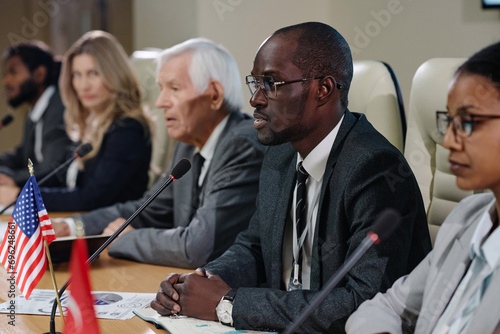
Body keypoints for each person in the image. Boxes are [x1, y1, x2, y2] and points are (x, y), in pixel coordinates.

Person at [151, 22, 432, 333]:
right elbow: (254, 247)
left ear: (323, 90)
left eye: (271, 83)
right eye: (255, 83)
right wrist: (197, 283)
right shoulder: (281, 154)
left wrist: (229, 303)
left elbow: (363, 301)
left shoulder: (376, 168)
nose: (256, 99)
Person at [52, 38, 267, 269]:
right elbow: (148, 209)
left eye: (174, 89)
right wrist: (73, 226)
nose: (160, 102)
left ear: (214, 95)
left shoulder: (242, 145)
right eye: (161, 88)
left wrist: (124, 239)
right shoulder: (188, 144)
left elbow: (198, 248)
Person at [346, 41, 500, 334]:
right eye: (449, 121)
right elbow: (386, 306)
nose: (451, 141)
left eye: (467, 122)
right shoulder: (466, 218)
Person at [1, 31, 152, 211]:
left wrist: (22, 196)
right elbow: (62, 177)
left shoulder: (127, 129)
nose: (83, 85)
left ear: (114, 74)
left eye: (93, 73)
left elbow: (91, 198)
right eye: (77, 75)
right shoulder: (90, 123)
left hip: (106, 233)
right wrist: (18, 185)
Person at [0, 41, 72, 188]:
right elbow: (23, 157)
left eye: (13, 72)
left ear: (39, 74)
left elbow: (51, 169)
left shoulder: (60, 108)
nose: (5, 81)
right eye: (5, 74)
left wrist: (12, 179)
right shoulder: (35, 110)